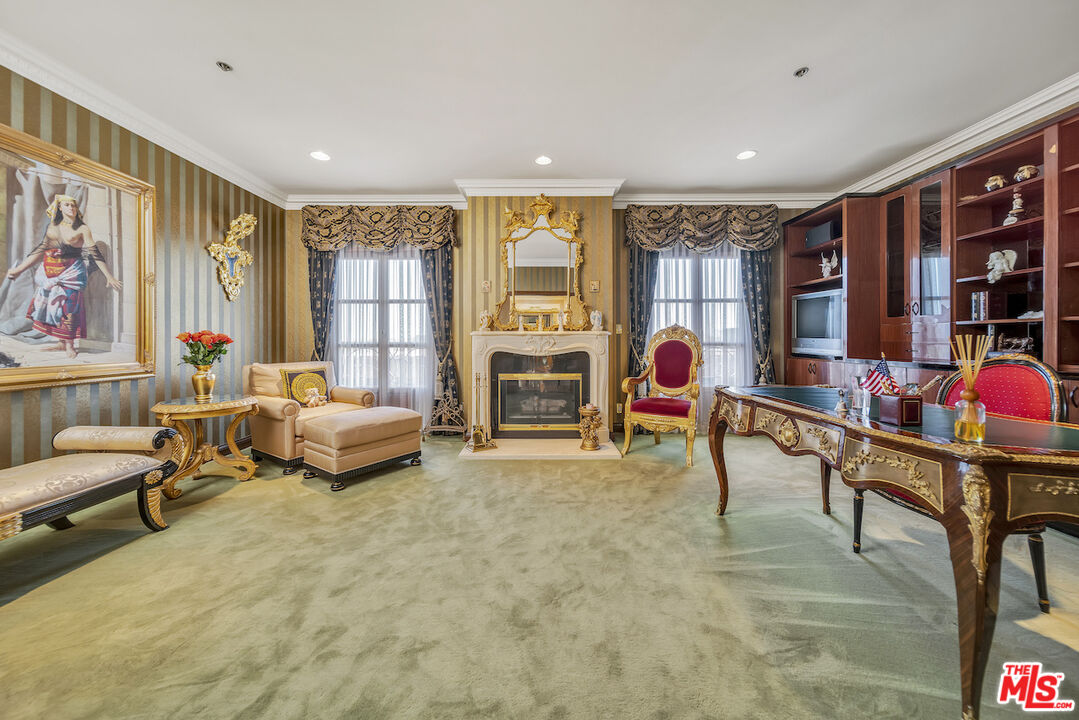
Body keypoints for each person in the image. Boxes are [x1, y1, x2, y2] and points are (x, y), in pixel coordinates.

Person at [5, 194, 122, 358]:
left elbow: (95, 253)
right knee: (54, 307)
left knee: (70, 308)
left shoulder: (82, 229)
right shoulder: (52, 227)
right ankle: (61, 343)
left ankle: (70, 345)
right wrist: (19, 270)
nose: (71, 208)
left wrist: (109, 276)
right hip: (50, 270)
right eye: (67, 205)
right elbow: (40, 250)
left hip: (72, 272)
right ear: (59, 207)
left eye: (73, 205)